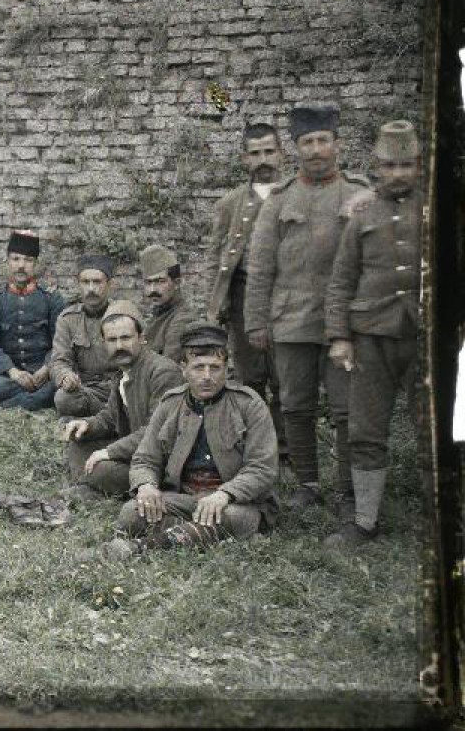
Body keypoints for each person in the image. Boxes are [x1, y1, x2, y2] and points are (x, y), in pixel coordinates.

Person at [245, 102, 371, 510]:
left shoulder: (358, 193)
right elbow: (260, 267)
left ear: (337, 144)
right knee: (295, 406)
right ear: (296, 148)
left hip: (345, 326)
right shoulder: (280, 200)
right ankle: (308, 485)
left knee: (346, 410)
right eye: (307, 142)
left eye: (323, 140)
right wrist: (256, 322)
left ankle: (350, 490)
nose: (316, 149)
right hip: (291, 322)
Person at [323, 120, 422, 548]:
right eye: (390, 165)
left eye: (407, 164)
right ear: (376, 167)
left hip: (425, 339)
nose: (398, 173)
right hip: (371, 337)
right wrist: (340, 336)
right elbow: (342, 280)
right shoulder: (361, 214)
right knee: (365, 429)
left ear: (419, 165)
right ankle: (365, 521)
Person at [107, 322, 279, 555]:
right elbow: (145, 458)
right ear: (184, 369)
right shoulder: (170, 404)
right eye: (198, 368)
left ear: (227, 369)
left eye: (215, 368)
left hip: (234, 502)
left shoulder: (249, 405)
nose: (207, 377)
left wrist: (224, 494)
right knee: (131, 512)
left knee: (233, 518)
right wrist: (146, 485)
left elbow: (262, 468)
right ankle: (195, 535)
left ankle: (144, 547)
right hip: (183, 498)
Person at [206, 122, 286, 460]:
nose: (263, 159)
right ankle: (256, 448)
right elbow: (215, 254)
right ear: (244, 159)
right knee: (250, 376)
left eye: (269, 151)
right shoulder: (231, 203)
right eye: (255, 153)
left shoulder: (294, 194)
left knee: (286, 378)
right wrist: (215, 301)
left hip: (286, 297)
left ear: (281, 154)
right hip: (242, 295)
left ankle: (287, 449)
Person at [59, 300, 183, 502]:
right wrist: (87, 425)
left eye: (126, 338)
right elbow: (110, 418)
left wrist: (109, 451)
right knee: (78, 442)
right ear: (104, 343)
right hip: (136, 449)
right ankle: (93, 486)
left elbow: (157, 433)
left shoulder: (162, 372)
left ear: (142, 338)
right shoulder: (122, 371)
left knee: (102, 469)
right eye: (112, 340)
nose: (119, 346)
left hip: (159, 462)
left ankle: (97, 488)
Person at [0, 230, 67, 412]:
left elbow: (61, 341)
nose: (21, 266)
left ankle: (2, 408)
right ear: (8, 262)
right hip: (11, 376)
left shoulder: (51, 298)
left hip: (44, 372)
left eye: (28, 260)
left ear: (37, 264)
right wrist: (12, 371)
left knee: (57, 386)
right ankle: (33, 399)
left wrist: (47, 368)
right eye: (16, 259)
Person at [50, 254, 117, 419]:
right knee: (63, 399)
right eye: (86, 282)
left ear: (110, 285)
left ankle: (102, 416)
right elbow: (59, 360)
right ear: (78, 284)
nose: (91, 289)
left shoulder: (122, 315)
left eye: (97, 282)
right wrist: (65, 376)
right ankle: (111, 416)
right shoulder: (67, 319)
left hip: (119, 387)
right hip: (87, 390)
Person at [139, 244, 197, 364]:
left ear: (177, 283)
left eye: (160, 281)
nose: (152, 290)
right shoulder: (159, 315)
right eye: (148, 283)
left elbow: (168, 368)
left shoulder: (182, 319)